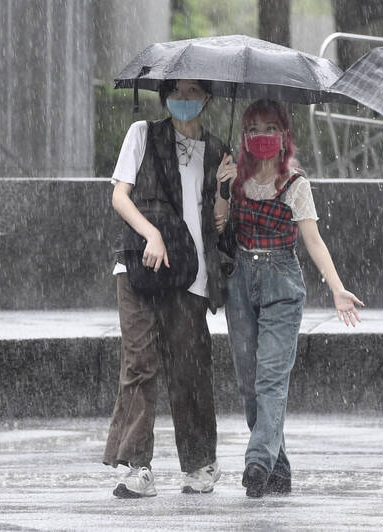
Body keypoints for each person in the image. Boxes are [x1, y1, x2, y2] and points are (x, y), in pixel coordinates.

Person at [214, 99, 364, 498]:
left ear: (284, 136)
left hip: (281, 281)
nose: (262, 136)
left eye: (270, 128)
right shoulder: (236, 177)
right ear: (244, 136)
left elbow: (313, 240)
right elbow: (218, 225)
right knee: (249, 383)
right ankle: (277, 469)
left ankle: (257, 461)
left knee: (271, 378)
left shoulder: (296, 184)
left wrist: (337, 288)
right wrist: (223, 188)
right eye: (254, 129)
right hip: (240, 282)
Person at [103, 79, 231, 498]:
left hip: (190, 272)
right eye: (176, 91)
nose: (183, 99)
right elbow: (120, 197)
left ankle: (199, 463)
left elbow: (217, 225)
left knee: (189, 369)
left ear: (207, 98)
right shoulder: (142, 133)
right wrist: (152, 233)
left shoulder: (217, 149)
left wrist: (224, 190)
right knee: (139, 363)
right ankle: (136, 466)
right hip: (140, 265)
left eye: (192, 91)